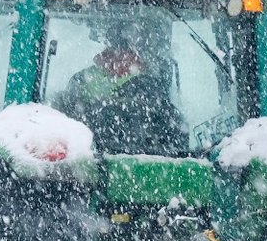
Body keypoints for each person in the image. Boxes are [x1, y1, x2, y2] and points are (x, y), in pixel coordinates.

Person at [52, 20, 187, 156]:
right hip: (92, 161)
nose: (121, 55)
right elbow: (61, 126)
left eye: (127, 49)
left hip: (123, 160)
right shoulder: (81, 80)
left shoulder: (151, 87)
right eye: (118, 48)